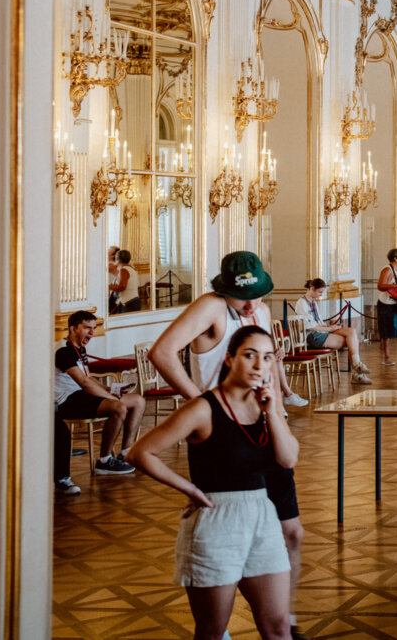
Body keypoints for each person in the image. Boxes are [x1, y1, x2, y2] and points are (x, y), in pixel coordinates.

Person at [148, 253, 309, 640]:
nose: (251, 304)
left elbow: (270, 356)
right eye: (244, 298)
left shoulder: (260, 309)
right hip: (225, 435)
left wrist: (282, 397)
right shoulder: (212, 306)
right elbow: (162, 352)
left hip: (265, 427)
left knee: (292, 532)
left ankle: (280, 618)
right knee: (229, 528)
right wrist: (202, 405)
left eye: (256, 295)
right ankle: (221, 624)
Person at [129, 326, 295, 640]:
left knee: (279, 627)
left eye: (268, 357)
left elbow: (287, 460)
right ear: (230, 359)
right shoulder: (203, 408)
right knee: (212, 631)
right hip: (217, 521)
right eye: (250, 355)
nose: (260, 365)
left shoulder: (264, 406)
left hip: (263, 517)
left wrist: (273, 411)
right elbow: (141, 452)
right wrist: (189, 488)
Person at [54, 309, 146, 492]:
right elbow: (84, 383)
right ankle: (104, 460)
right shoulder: (64, 351)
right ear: (73, 329)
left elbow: (88, 378)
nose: (92, 333)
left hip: (81, 396)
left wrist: (112, 389)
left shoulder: (79, 349)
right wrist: (111, 397)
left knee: (138, 401)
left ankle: (125, 453)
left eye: (94, 328)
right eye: (87, 328)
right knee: (118, 407)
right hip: (66, 401)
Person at [293, 279, 371, 383]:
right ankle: (357, 373)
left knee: (351, 332)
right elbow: (310, 326)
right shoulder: (301, 303)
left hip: (321, 331)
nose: (321, 295)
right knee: (350, 341)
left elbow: (319, 322)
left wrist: (332, 327)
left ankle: (357, 367)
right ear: (312, 289)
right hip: (312, 336)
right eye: (320, 292)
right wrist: (329, 329)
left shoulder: (313, 303)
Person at [111, 248, 141, 313]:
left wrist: (108, 287)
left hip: (128, 304)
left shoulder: (124, 270)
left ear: (117, 259)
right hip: (133, 302)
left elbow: (122, 287)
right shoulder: (131, 269)